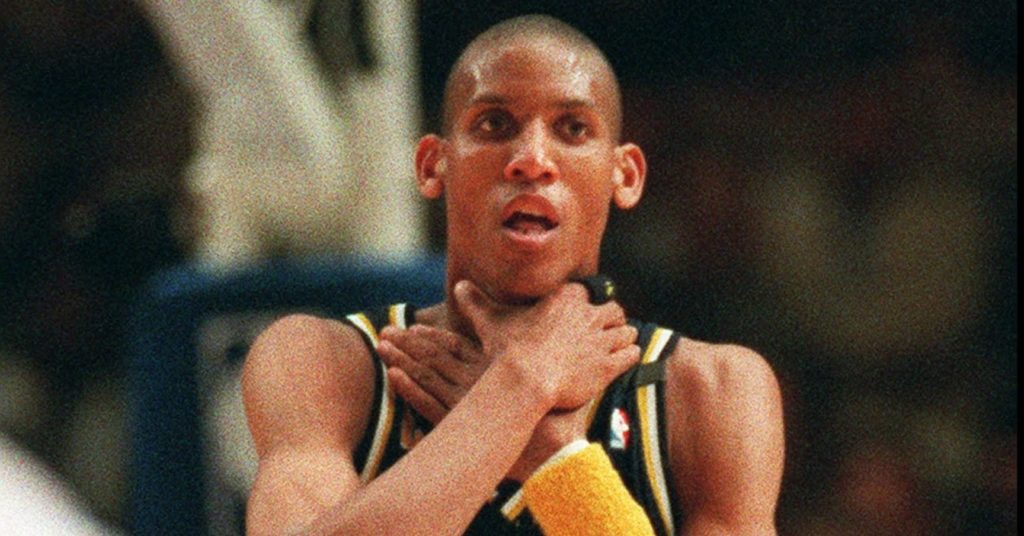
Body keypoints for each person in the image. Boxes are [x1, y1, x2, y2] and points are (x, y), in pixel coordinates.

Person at [242, 14, 784, 536]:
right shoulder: (321, 364)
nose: (531, 159)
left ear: (625, 175)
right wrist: (522, 383)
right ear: (433, 164)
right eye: (495, 124)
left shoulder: (714, 391)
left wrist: (549, 453)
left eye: (572, 128)